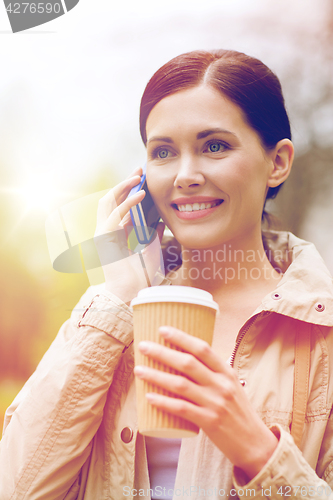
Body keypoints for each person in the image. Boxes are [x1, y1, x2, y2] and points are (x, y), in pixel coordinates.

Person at [1, 49, 333, 500]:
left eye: (214, 145)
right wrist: (116, 299)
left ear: (278, 162)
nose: (185, 175)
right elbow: (16, 488)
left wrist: (259, 453)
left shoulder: (322, 332)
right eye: (163, 152)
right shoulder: (112, 317)